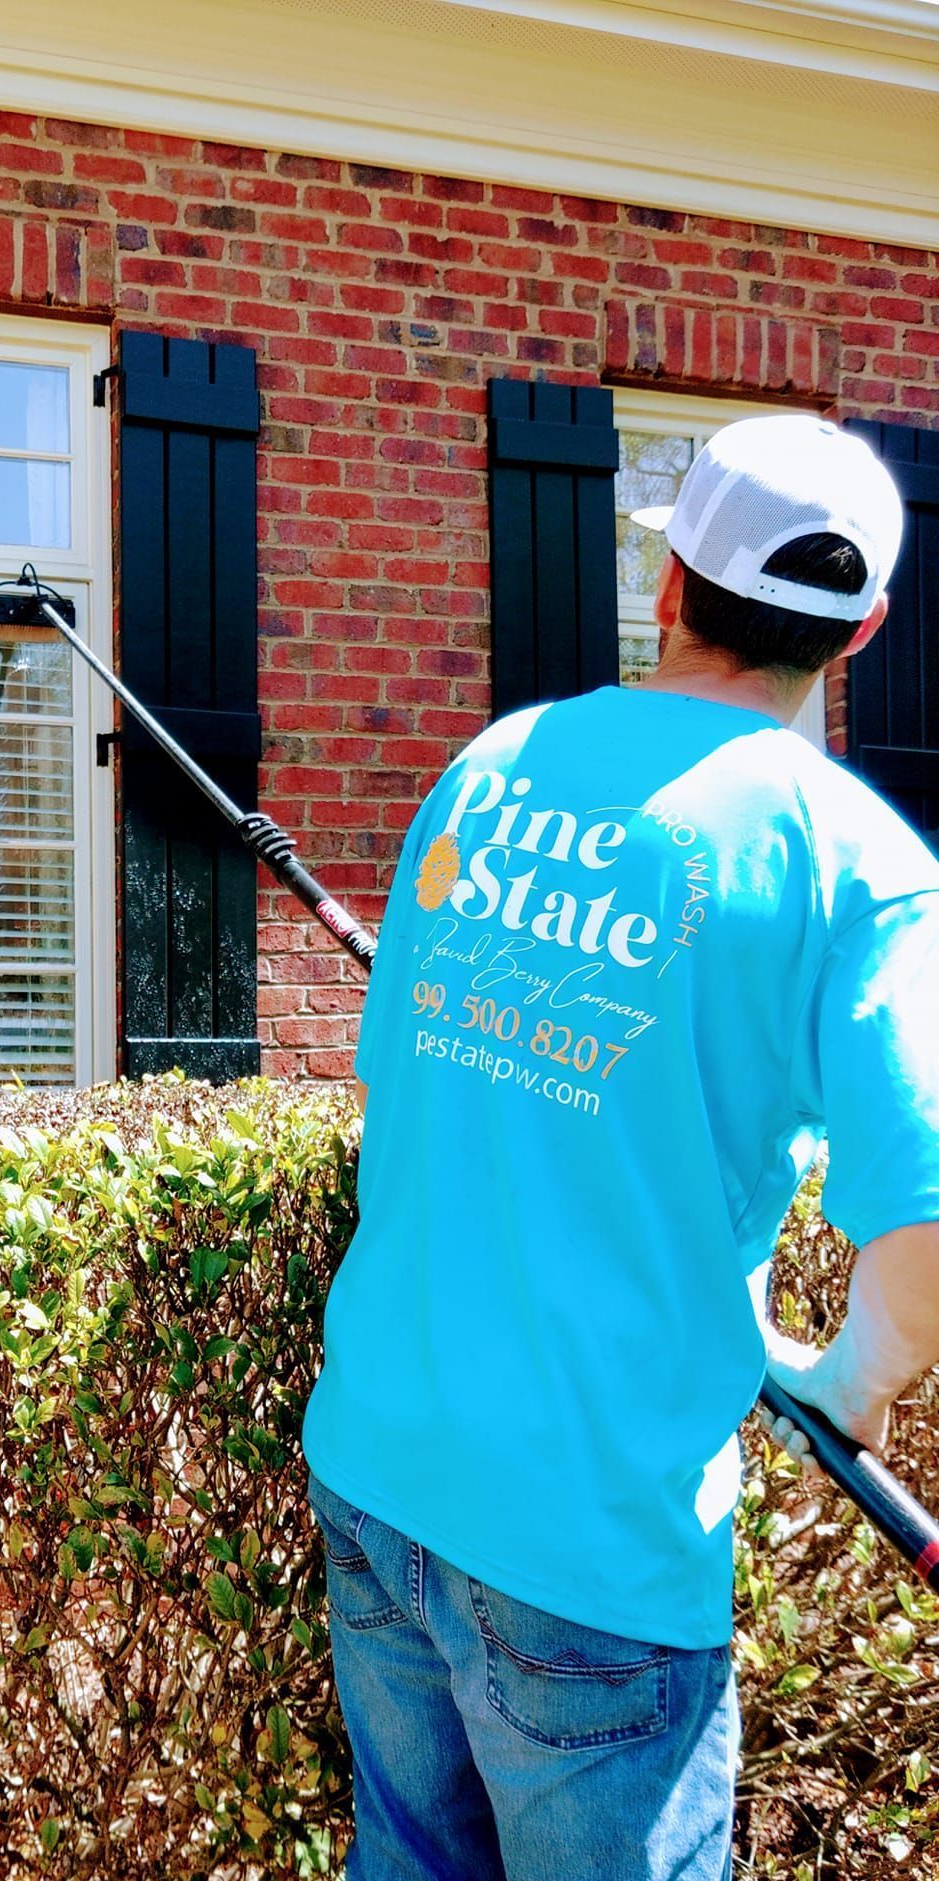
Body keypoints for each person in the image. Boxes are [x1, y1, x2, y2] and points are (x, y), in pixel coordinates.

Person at [301, 414, 939, 1881]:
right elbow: (922, 1226)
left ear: (667, 586)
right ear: (864, 630)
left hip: (382, 1467)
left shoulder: (494, 764)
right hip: (588, 1544)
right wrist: (855, 1379)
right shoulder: (857, 864)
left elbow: (402, 1087)